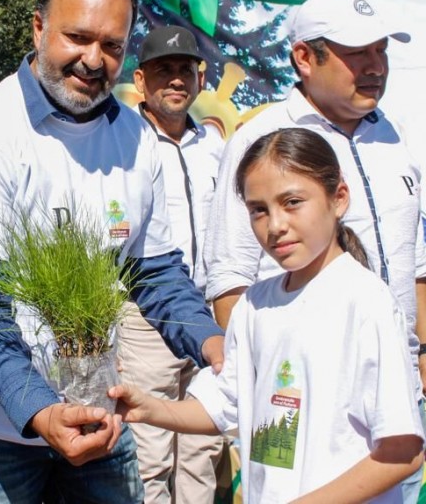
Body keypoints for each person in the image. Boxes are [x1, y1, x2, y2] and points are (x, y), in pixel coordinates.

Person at [0, 0, 225, 503]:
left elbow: (154, 271)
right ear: (38, 28)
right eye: (77, 37)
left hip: (97, 410)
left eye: (111, 45)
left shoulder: (137, 139)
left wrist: (214, 344)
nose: (92, 60)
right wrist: (40, 410)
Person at [113, 127, 425, 502]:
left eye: (292, 202)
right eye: (258, 210)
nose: (275, 225)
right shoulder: (255, 304)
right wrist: (150, 409)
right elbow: (224, 405)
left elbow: (402, 452)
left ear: (339, 198)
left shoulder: (366, 302)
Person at [204, 0, 426, 500]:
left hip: (395, 406)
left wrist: (419, 367)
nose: (374, 68)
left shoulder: (395, 137)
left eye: (381, 51)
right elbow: (230, 282)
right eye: (356, 55)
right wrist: (271, 387)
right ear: (304, 58)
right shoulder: (261, 140)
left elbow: (415, 265)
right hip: (307, 418)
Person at [117, 25, 225, 503]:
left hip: (211, 315)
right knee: (151, 449)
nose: (177, 80)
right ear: (141, 81)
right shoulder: (123, 147)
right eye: (165, 70)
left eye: (186, 70)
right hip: (146, 316)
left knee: (204, 450)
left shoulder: (218, 149)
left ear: (200, 80)